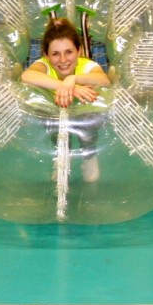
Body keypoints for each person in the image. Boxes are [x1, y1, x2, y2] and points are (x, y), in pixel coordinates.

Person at [21, 17, 111, 182]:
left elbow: (104, 80)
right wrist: (66, 86)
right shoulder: (44, 65)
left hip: (84, 114)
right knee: (56, 126)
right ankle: (62, 156)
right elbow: (27, 75)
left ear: (79, 50)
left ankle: (89, 156)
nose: (63, 60)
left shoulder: (86, 65)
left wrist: (73, 79)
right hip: (56, 112)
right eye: (55, 54)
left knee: (88, 127)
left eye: (69, 52)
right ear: (46, 55)